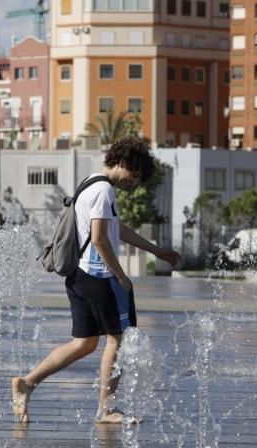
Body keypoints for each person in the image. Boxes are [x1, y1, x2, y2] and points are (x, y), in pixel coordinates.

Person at [11, 137, 181, 425]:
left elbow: (116, 229)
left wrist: (157, 250)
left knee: (84, 344)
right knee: (119, 340)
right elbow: (101, 240)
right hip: (99, 277)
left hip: (79, 276)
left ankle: (27, 382)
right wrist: (120, 275)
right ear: (125, 163)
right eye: (135, 174)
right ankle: (106, 409)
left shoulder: (92, 182)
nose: (135, 182)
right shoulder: (103, 191)